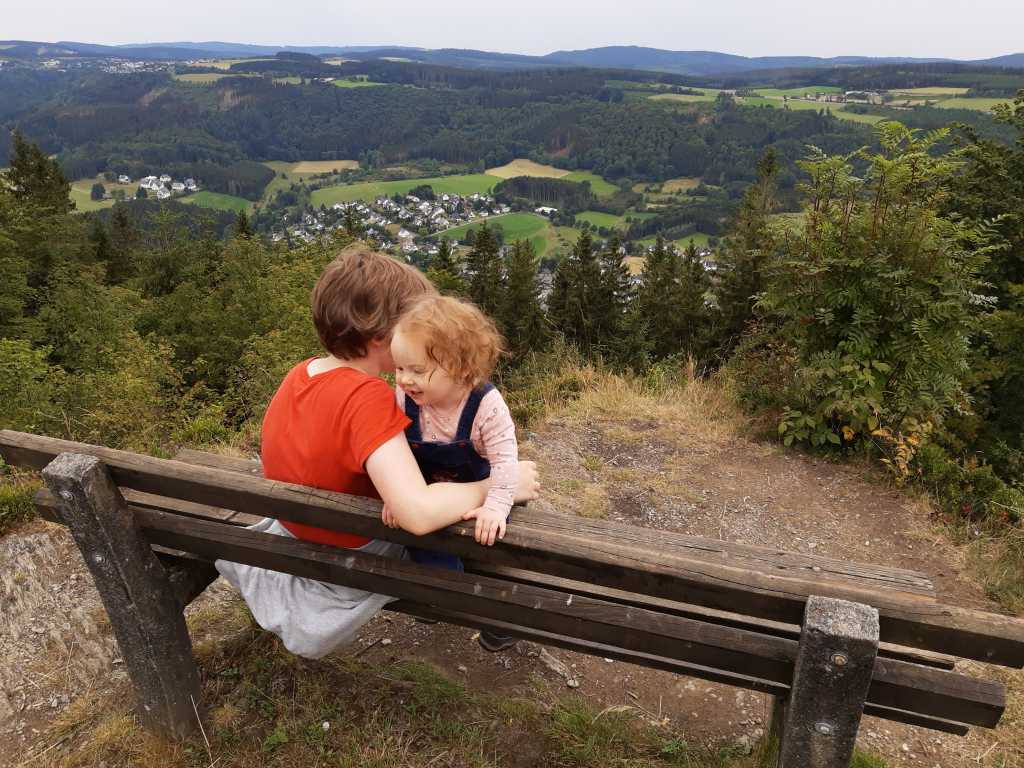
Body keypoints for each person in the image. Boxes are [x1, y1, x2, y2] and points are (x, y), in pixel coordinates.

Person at [215, 246, 539, 659]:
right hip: (351, 544)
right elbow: (417, 515)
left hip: (301, 527)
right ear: (380, 336)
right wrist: (499, 485)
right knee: (479, 526)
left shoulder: (301, 373)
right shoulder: (368, 397)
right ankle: (497, 621)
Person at [385, 294, 520, 651]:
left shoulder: (485, 405)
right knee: (429, 555)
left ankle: (498, 622)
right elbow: (392, 451)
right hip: (430, 500)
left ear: (460, 367)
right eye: (399, 368)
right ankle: (442, 599)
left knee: (491, 559)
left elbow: (507, 463)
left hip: (482, 499)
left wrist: (497, 505)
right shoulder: (403, 399)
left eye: (416, 370)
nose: (403, 380)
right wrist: (392, 493)